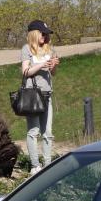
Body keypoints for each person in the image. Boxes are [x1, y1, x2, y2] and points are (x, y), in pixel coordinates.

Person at [21, 20, 60, 175]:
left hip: (47, 94)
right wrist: (41, 64)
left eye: (46, 34)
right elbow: (25, 71)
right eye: (42, 33)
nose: (45, 36)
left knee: (48, 132)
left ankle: (47, 164)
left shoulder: (50, 49)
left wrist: (53, 65)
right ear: (34, 34)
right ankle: (35, 165)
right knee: (34, 131)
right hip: (32, 96)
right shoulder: (26, 49)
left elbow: (54, 73)